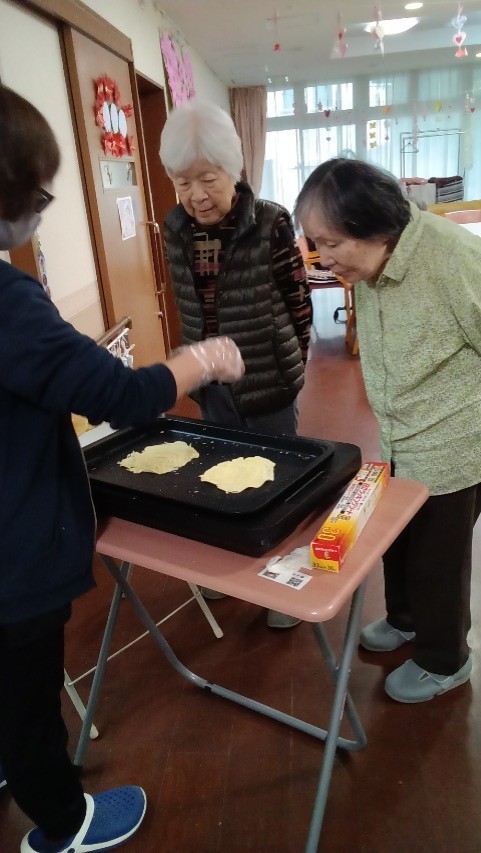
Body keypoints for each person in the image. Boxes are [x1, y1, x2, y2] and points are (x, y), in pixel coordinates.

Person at [0, 84, 244, 853]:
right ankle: (62, 822)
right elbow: (125, 396)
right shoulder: (7, 301)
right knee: (28, 698)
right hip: (12, 556)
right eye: (40, 196)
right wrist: (201, 360)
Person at [294, 157, 481, 704]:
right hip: (399, 434)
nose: (322, 258)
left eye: (331, 243)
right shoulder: (372, 263)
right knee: (397, 540)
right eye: (315, 243)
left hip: (454, 443)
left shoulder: (452, 258)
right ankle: (404, 619)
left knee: (437, 560)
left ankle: (446, 660)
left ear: (376, 227)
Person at [159, 99, 312, 630]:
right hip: (209, 382)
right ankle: (227, 569)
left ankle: (282, 583)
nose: (197, 195)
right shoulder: (175, 229)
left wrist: (290, 365)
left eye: (208, 179)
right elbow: (187, 304)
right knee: (217, 475)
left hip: (268, 377)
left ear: (234, 170)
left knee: (280, 481)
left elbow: (298, 301)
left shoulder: (270, 221)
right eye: (183, 183)